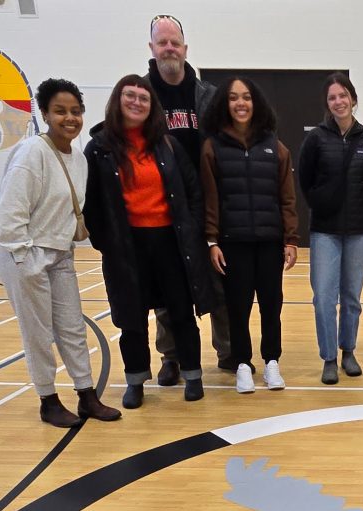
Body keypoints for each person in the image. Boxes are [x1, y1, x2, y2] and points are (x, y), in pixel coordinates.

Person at [0, 78, 121, 427]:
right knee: (37, 331)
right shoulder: (32, 152)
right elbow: (9, 213)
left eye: (75, 111)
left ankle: (86, 395)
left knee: (71, 326)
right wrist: (24, 257)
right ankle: (47, 399)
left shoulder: (78, 158)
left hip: (60, 254)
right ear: (45, 113)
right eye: (60, 111)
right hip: (25, 254)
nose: (70, 118)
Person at [83, 75, 218, 409]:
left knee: (181, 312)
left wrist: (193, 230)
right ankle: (136, 380)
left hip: (170, 241)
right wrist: (106, 242)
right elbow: (92, 204)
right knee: (131, 318)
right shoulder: (98, 147)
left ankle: (193, 374)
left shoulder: (167, 144)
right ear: (117, 100)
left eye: (144, 98)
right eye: (130, 96)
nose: (137, 102)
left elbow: (193, 191)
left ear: (152, 107)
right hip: (126, 246)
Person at [145, 14, 230, 385]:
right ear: (152, 49)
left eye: (174, 42)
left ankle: (229, 351)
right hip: (162, 205)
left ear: (185, 48)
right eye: (162, 42)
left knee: (220, 279)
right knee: (167, 287)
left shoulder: (208, 95)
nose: (169, 48)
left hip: (207, 204)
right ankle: (171, 357)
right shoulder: (141, 95)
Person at [201, 77, 299, 394]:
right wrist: (212, 240)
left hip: (270, 242)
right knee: (237, 307)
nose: (240, 103)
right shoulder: (213, 147)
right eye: (233, 98)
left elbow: (287, 197)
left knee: (272, 305)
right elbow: (210, 197)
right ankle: (242, 363)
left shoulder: (275, 147)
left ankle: (272, 362)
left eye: (246, 97)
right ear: (225, 104)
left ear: (255, 103)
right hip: (233, 243)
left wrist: (290, 239)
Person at [298, 72, 363, 385]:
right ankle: (329, 358)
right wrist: (322, 206)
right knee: (323, 296)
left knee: (351, 296)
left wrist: (360, 209)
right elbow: (305, 182)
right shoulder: (316, 139)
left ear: (353, 99)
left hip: (359, 230)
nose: (338, 101)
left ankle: (348, 350)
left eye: (342, 95)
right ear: (328, 103)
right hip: (325, 231)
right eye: (332, 97)